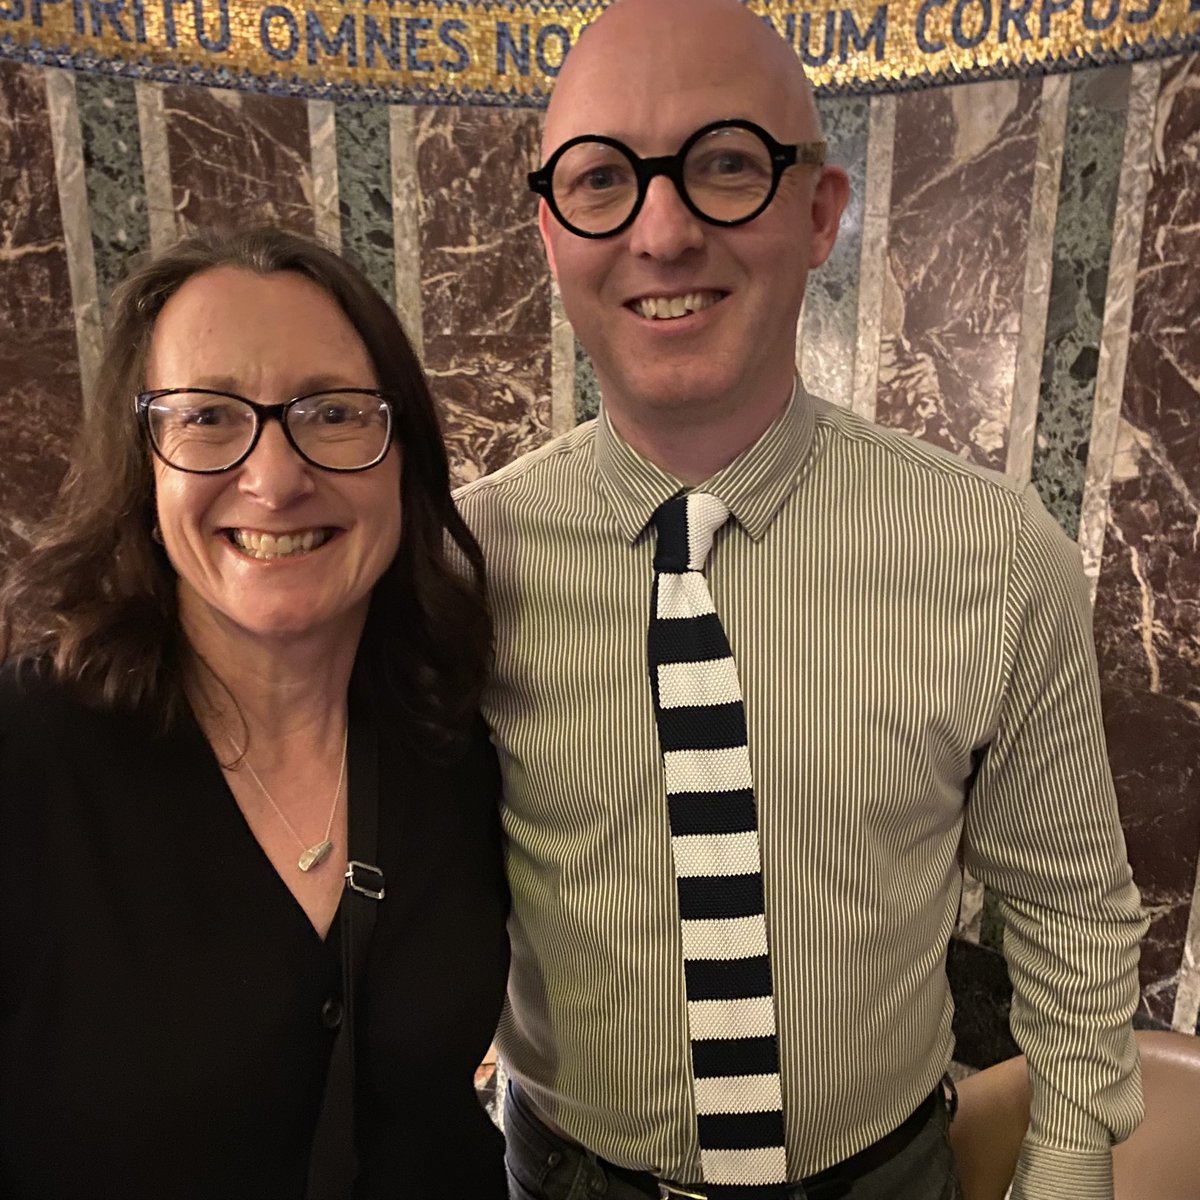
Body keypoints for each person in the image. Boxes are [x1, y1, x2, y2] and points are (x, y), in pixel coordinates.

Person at [454, 1, 1148, 1198]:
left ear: (820, 211)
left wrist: (1071, 1168)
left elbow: (1071, 908)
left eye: (725, 165)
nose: (661, 233)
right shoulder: (464, 564)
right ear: (550, 233)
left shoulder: (992, 554)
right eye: (603, 180)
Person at [0, 227, 509, 1198]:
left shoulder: (451, 740)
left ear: (403, 454)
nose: (275, 480)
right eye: (206, 418)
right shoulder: (27, 764)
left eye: (332, 413)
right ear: (141, 463)